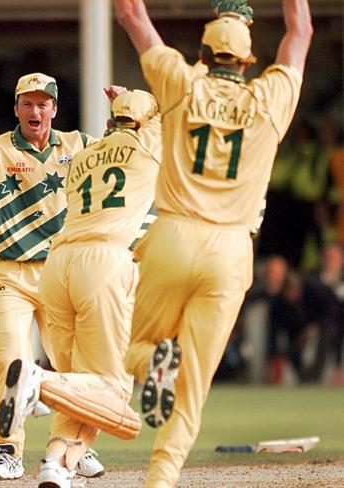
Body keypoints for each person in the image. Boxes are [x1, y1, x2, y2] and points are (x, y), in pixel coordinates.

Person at [110, 1, 311, 486]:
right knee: (194, 388)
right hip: (229, 250)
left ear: (202, 52)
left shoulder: (182, 83)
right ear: (247, 61)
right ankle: (160, 479)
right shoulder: (271, 97)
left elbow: (131, 16)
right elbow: (300, 28)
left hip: (174, 236)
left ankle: (152, 362)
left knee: (129, 349)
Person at [0, 89, 162, 487]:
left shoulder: (85, 156)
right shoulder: (147, 144)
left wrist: (123, 109)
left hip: (59, 264)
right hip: (104, 264)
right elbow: (169, 112)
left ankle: (57, 463)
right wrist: (135, 104)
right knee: (112, 390)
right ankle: (38, 382)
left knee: (81, 386)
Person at [0, 73, 103, 481]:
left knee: (72, 366)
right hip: (8, 272)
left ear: (54, 108)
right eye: (27, 104)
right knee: (9, 362)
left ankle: (73, 446)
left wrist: (123, 118)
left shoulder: (79, 144)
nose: (35, 111)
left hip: (61, 273)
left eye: (43, 104)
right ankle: (8, 453)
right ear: (17, 108)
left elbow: (118, 163)